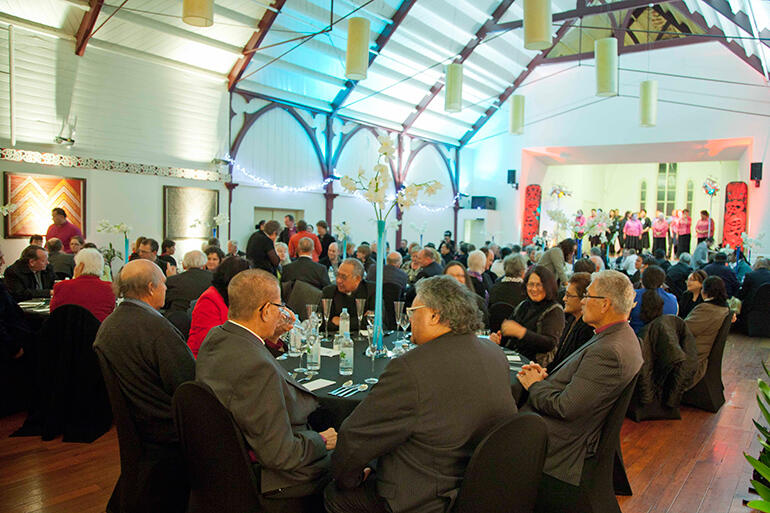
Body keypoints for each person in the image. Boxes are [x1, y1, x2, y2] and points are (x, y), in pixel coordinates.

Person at [325, 275, 516, 513]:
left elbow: (354, 437)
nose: (409, 317)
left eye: (414, 310)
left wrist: (347, 479)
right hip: (481, 487)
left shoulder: (410, 368)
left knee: (335, 493)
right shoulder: (494, 353)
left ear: (435, 316)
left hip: (422, 496)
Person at [196, 270, 334, 507]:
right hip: (274, 474)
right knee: (354, 463)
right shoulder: (257, 368)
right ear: (266, 310)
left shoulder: (217, 336)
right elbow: (281, 454)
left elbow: (247, 360)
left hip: (223, 463)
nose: (281, 312)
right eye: (279, 307)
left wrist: (272, 335)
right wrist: (321, 440)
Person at [515, 271, 643, 511]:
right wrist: (545, 380)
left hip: (561, 445)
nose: (583, 301)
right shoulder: (618, 337)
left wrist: (535, 385)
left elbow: (565, 408)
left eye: (588, 295)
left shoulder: (609, 351)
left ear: (605, 304)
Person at [93, 259, 195, 444]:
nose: (166, 288)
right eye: (163, 283)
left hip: (138, 421)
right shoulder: (156, 329)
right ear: (151, 288)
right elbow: (187, 384)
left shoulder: (109, 325)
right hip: (167, 425)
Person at [490, 265, 565, 366]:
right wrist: (498, 338)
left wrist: (522, 332)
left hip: (535, 366)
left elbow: (549, 343)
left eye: (539, 285)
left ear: (548, 286)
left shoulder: (554, 310)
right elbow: (508, 333)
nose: (534, 289)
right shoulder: (524, 305)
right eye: (531, 284)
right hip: (514, 358)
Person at [188, 256, 251, 358]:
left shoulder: (238, 298)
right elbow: (212, 342)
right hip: (207, 361)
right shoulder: (209, 300)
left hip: (231, 357)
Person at [685, 276, 730, 388]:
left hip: (694, 354)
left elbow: (685, 329)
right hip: (703, 350)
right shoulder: (725, 308)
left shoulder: (706, 309)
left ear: (704, 291)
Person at [50, 248, 115, 322]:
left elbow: (53, 313)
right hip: (97, 331)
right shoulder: (110, 288)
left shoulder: (61, 286)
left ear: (80, 266)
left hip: (66, 330)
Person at [548, 272, 594, 371]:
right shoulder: (570, 318)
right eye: (565, 294)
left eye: (569, 295)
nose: (564, 299)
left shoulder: (587, 329)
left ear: (583, 299)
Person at [320, 259, 374, 333]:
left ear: (357, 279)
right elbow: (322, 323)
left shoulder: (371, 291)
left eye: (343, 277)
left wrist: (341, 322)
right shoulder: (329, 291)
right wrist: (357, 321)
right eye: (337, 275)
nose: (338, 280)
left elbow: (373, 321)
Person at [629, 265, 678, 333]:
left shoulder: (632, 296)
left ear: (642, 279)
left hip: (635, 338)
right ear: (662, 281)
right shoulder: (673, 299)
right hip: (662, 339)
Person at [443, 261, 490, 327]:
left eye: (460, 276)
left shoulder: (477, 302)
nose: (456, 279)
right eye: (451, 276)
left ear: (466, 279)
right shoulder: (435, 302)